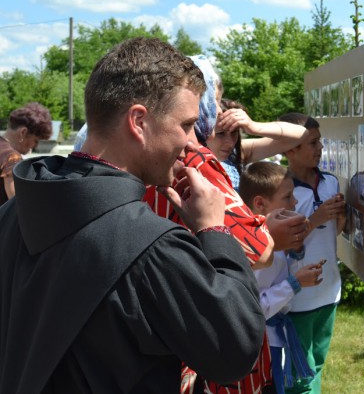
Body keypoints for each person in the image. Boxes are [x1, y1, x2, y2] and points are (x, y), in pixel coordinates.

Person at [0, 37, 265, 392]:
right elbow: (235, 348)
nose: (192, 142)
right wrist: (215, 232)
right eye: (186, 124)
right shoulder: (150, 248)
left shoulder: (12, 213)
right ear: (139, 121)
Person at [143, 54, 309, 394]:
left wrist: (254, 126)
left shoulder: (147, 154)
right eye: (215, 101)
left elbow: (300, 134)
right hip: (211, 335)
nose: (219, 113)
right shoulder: (194, 161)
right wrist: (267, 230)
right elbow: (258, 249)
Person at [239, 162, 324, 394]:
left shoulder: (266, 241)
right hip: (263, 346)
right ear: (260, 204)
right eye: (288, 197)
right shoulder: (255, 252)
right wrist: (295, 284)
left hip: (272, 341)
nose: (295, 203)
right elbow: (255, 307)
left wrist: (294, 254)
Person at [278, 112, 346, 394]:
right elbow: (278, 244)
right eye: (313, 143)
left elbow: (336, 233)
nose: (320, 149)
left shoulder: (330, 181)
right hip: (297, 300)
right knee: (300, 379)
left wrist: (341, 217)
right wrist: (315, 219)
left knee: (316, 367)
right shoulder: (281, 190)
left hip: (329, 292)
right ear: (290, 149)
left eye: (320, 142)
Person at [197, 61, 308, 190]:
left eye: (234, 132)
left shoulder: (238, 153)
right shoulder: (191, 155)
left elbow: (302, 134)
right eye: (220, 134)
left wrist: (254, 127)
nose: (229, 143)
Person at [0, 102, 52, 205]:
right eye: (36, 140)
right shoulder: (12, 158)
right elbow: (16, 203)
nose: (35, 146)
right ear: (23, 132)